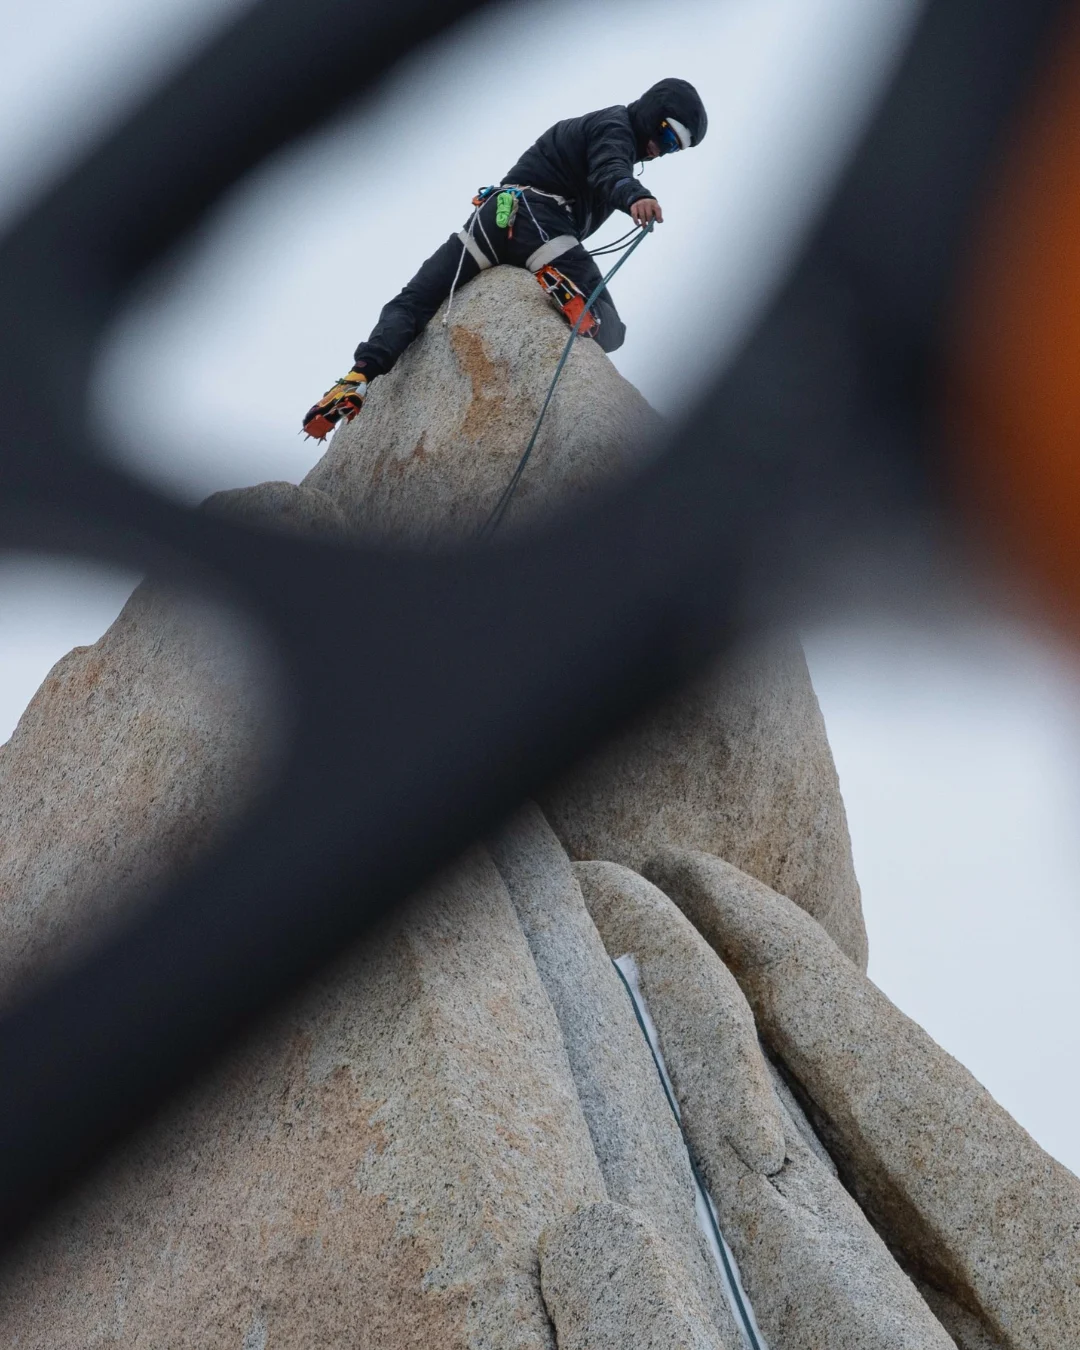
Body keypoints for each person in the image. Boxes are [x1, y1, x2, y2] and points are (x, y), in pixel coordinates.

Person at [302, 77, 708, 439]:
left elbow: (609, 167)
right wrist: (635, 195)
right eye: (668, 136)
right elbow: (610, 169)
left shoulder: (605, 128)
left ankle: (358, 376)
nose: (663, 151)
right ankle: (567, 291)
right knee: (612, 329)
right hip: (536, 219)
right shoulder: (614, 127)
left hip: (491, 217)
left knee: (414, 300)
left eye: (675, 149)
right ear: (653, 112)